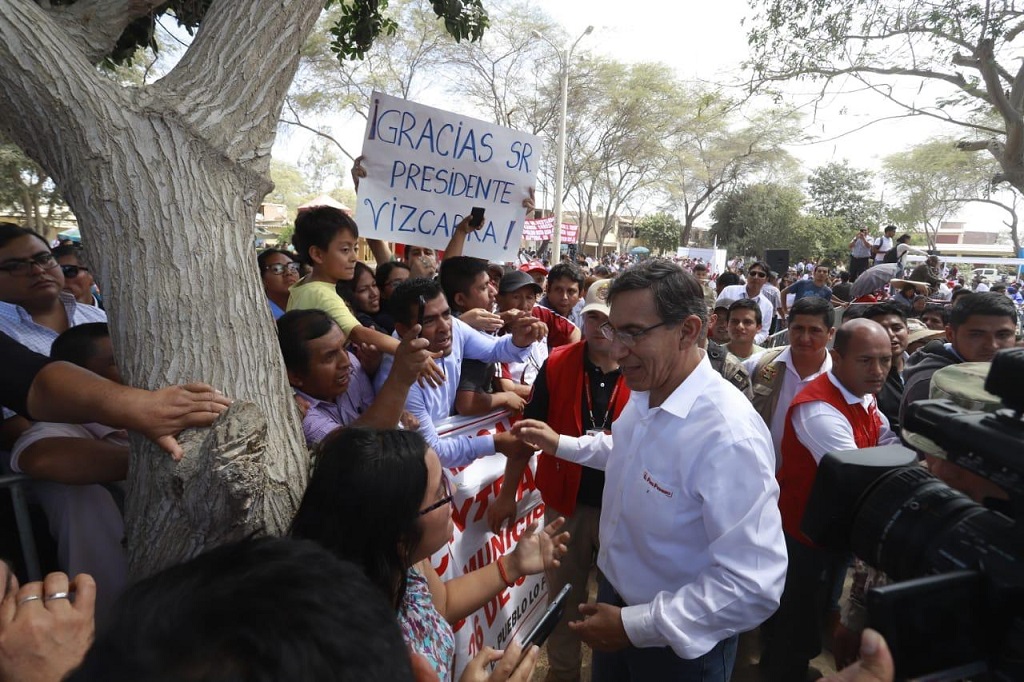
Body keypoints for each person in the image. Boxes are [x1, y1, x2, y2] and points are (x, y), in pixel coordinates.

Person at [512, 260, 786, 682]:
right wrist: (560, 444)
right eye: (613, 331)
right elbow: (623, 451)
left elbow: (754, 585)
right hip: (617, 605)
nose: (618, 349)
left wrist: (635, 625)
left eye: (634, 333)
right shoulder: (646, 394)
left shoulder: (728, 436)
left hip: (678, 650)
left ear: (689, 331)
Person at [290, 427, 568, 682]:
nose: (454, 491)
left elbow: (442, 603)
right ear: (399, 533)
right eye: (439, 493)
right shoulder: (352, 650)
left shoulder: (404, 563)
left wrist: (512, 564)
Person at [490, 278, 629, 682]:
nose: (600, 329)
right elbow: (526, 434)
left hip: (625, 508)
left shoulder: (645, 368)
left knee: (621, 599)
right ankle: (565, 672)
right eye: (592, 319)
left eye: (608, 321)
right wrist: (507, 494)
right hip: (566, 508)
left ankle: (613, 672)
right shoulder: (558, 363)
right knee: (564, 597)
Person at [764, 319, 900, 682]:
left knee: (818, 606)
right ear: (837, 358)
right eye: (867, 360)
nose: (878, 371)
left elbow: (886, 441)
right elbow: (861, 477)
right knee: (795, 616)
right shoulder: (818, 408)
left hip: (832, 531)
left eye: (885, 360)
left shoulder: (863, 393)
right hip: (802, 535)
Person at [11, 324, 130, 616]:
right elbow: (43, 458)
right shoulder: (59, 427)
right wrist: (154, 463)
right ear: (82, 379)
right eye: (117, 362)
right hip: (115, 615)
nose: (132, 370)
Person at [374, 278, 545, 467]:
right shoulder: (399, 378)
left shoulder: (454, 326)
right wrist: (495, 443)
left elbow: (494, 350)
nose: (445, 327)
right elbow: (432, 452)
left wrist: (520, 340)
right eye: (429, 320)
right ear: (403, 330)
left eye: (446, 314)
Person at [744, 297, 836, 468]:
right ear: (787, 327)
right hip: (760, 473)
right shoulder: (758, 364)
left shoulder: (841, 378)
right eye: (798, 329)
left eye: (814, 331)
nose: (804, 338)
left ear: (830, 334)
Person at [900, 292, 1017, 426]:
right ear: (950, 334)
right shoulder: (931, 383)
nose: (992, 345)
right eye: (977, 335)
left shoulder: (1005, 369)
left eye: (1003, 335)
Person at [860, 302, 910, 432]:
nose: (890, 334)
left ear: (907, 331)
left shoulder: (923, 368)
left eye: (896, 328)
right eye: (881, 329)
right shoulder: (862, 378)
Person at [718, 261, 776, 344]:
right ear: (747, 275)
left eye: (761, 275)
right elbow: (715, 315)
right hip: (721, 342)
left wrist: (750, 340)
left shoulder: (767, 306)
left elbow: (764, 332)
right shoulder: (729, 291)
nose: (756, 277)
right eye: (753, 273)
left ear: (766, 279)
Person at [257, 247, 299, 320]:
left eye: (292, 267)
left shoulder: (307, 305)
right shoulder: (261, 316)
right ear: (261, 279)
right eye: (277, 269)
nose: (288, 272)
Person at [539, 262, 585, 327]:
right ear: (547, 289)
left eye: (571, 291)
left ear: (580, 294)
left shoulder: (583, 310)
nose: (564, 297)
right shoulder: (536, 315)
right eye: (558, 290)